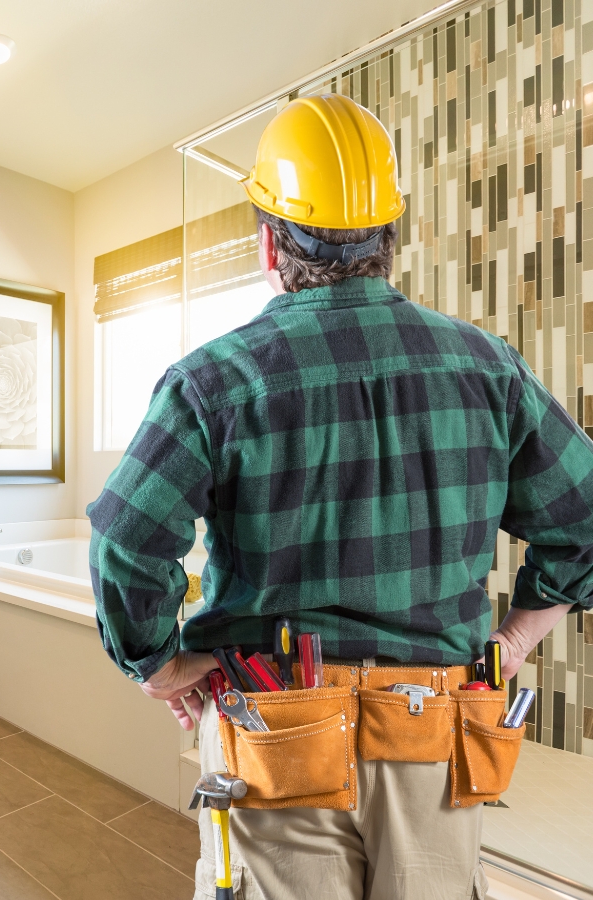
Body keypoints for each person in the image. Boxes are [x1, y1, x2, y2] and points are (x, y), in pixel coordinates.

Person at [87, 93, 593, 899]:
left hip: (273, 729)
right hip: (435, 727)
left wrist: (158, 661)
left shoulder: (212, 381)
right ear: (390, 239)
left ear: (268, 243)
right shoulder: (486, 368)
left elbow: (124, 536)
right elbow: (586, 522)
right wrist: (521, 636)